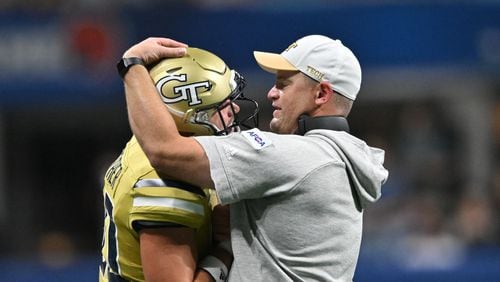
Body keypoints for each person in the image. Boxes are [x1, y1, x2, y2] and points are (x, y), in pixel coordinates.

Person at [118, 35, 389, 281]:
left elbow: (164, 150)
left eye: (284, 83)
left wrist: (133, 65)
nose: (272, 92)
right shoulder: (342, 158)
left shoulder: (293, 157)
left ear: (321, 94)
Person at [100, 46, 259, 282]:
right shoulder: (168, 182)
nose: (235, 109)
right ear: (194, 118)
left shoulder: (149, 143)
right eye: (223, 105)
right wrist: (227, 245)